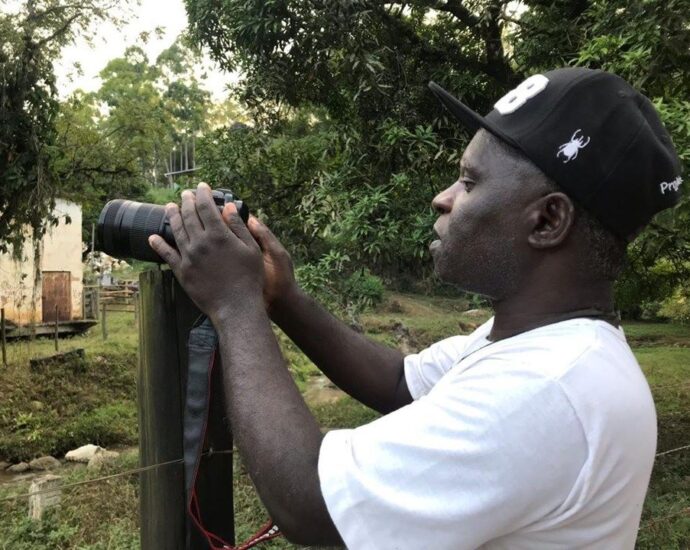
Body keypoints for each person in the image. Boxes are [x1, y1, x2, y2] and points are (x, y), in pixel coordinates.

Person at [148, 67, 683, 549]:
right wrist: (282, 298)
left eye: (470, 182)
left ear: (547, 221)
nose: (443, 198)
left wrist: (235, 305)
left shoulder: (545, 390)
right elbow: (399, 382)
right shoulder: (542, 345)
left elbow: (311, 504)